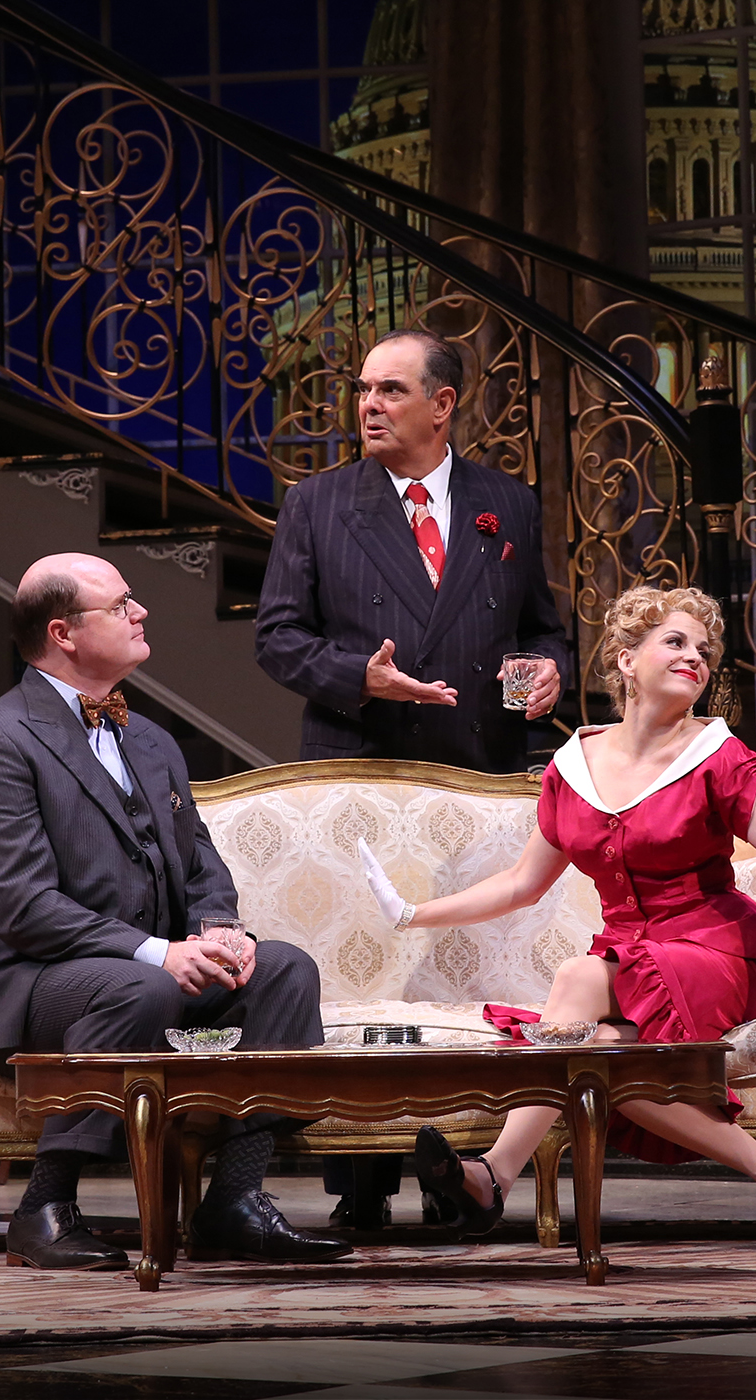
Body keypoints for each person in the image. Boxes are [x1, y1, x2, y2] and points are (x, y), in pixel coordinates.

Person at [358, 586, 756, 1252]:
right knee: (594, 1053)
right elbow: (521, 884)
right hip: (634, 958)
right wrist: (413, 913)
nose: (696, 657)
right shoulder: (574, 769)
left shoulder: (719, 755)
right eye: (676, 642)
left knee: (574, 981)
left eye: (704, 650)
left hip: (720, 950)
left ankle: (492, 1176)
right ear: (626, 661)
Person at [0, 553, 352, 1270]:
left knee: (283, 970)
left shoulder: (147, 737)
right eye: (121, 605)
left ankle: (235, 1202)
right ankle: (44, 1209)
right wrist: (159, 952)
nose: (140, 612)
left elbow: (199, 857)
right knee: (144, 984)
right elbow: (21, 905)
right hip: (19, 979)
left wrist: (220, 928)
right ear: (63, 632)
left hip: (141, 974)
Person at [253, 326, 572, 1227]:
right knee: (372, 976)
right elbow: (277, 637)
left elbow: (544, 627)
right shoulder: (318, 503)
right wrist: (360, 677)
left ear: (442, 404)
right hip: (362, 771)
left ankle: (463, 1170)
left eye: (390, 391)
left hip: (477, 776)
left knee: (466, 976)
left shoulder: (505, 503)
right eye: (363, 390)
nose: (368, 406)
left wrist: (549, 669)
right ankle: (361, 1180)